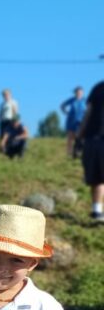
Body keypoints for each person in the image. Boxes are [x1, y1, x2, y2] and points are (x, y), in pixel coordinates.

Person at [76, 81, 104, 223]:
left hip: (95, 139)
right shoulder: (98, 88)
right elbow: (88, 112)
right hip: (94, 138)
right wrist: (79, 135)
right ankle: (97, 211)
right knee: (96, 177)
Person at [60, 86, 86, 158]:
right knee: (70, 137)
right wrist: (66, 112)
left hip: (81, 122)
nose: (78, 94)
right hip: (71, 121)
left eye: (80, 92)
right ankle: (69, 153)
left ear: (82, 93)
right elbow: (62, 105)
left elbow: (90, 108)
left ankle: (81, 152)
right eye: (77, 92)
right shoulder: (72, 100)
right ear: (75, 93)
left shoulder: (85, 100)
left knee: (81, 138)